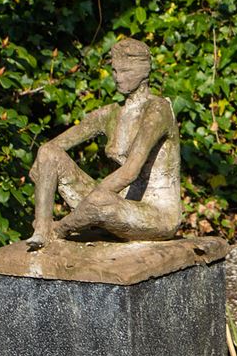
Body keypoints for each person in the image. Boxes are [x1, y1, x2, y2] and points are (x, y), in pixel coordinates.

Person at [25, 37, 181, 246]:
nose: (118, 78)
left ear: (144, 73)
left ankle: (59, 230)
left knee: (100, 201)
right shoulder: (110, 113)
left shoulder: (157, 109)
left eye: (125, 72)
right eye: (115, 71)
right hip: (115, 204)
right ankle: (42, 230)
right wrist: (43, 164)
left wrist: (77, 214)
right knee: (48, 152)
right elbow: (53, 147)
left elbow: (130, 171)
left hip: (155, 214)